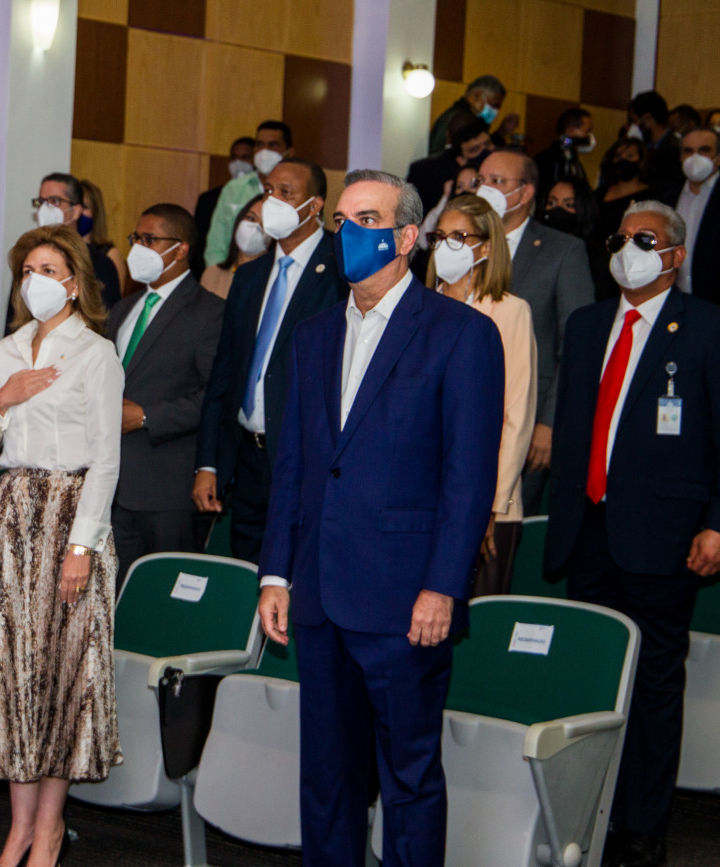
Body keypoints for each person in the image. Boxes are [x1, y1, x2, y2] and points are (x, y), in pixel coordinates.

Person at [258, 169, 504, 867]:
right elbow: (294, 465)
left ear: (405, 237)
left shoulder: (461, 334)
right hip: (318, 593)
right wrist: (275, 573)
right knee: (326, 778)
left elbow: (468, 478)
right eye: (342, 220)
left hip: (404, 597)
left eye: (367, 219)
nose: (348, 233)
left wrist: (444, 586)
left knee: (408, 777)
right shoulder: (312, 334)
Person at [544, 201, 720, 867]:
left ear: (675, 255)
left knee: (653, 685)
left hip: (665, 534)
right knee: (592, 678)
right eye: (620, 239)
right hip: (588, 529)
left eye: (644, 240)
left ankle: (641, 830)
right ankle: (586, 815)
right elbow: (574, 428)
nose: (627, 250)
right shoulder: (588, 322)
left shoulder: (711, 328)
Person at [0, 224, 123, 867]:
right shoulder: (8, 348)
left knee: (58, 672)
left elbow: (106, 460)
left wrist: (81, 547)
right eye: (28, 270)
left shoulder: (95, 353)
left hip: (70, 515)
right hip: (11, 511)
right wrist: (3, 400)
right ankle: (18, 829)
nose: (35, 281)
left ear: (74, 283)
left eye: (48, 270)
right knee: (10, 670)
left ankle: (49, 830)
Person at [194, 158, 344, 563]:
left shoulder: (341, 270)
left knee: (295, 574)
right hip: (246, 460)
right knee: (246, 571)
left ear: (315, 205)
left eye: (285, 193)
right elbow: (223, 374)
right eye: (268, 191)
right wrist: (208, 463)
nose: (271, 201)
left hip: (304, 459)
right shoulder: (249, 275)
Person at [425, 195, 537, 595]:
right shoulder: (417, 307)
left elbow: (516, 416)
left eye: (459, 237)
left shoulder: (509, 311)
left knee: (474, 615)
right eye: (439, 237)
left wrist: (490, 505)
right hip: (417, 498)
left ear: (486, 246)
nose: (445, 247)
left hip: (486, 500)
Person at [107, 204, 223, 580]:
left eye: (150, 240)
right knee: (115, 599)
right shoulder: (122, 310)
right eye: (136, 239)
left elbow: (214, 397)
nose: (138, 248)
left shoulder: (210, 312)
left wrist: (145, 416)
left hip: (167, 489)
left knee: (162, 595)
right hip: (111, 485)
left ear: (181, 248)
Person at [477, 149, 595, 516]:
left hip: (527, 416)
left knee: (504, 521)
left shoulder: (563, 250)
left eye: (497, 182)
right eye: (481, 181)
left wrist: (549, 422)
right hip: (468, 409)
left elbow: (577, 346)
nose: (485, 189)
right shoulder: (464, 242)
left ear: (526, 192)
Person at [660, 127, 720, 310]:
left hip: (719, 304)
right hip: (673, 303)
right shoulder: (666, 200)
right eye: (688, 151)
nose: (695, 157)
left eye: (704, 150)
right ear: (680, 157)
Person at [204, 121, 294, 267]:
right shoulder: (234, 188)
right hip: (233, 272)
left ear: (289, 152)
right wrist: (219, 275)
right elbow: (216, 243)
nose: (264, 152)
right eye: (260, 145)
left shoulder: (296, 192)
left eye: (272, 145)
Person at [31, 172, 121, 309]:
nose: (45, 208)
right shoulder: (29, 258)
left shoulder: (100, 263)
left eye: (54, 201)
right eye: (41, 202)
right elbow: (15, 316)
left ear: (76, 211)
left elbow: (105, 316)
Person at [591, 140, 659, 301]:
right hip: (598, 264)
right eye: (619, 156)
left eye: (630, 156)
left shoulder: (652, 195)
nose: (623, 160)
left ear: (641, 160)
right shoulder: (599, 194)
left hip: (630, 265)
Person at [408, 117, 494, 217]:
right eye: (475, 149)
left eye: (487, 144)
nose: (484, 152)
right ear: (461, 159)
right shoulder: (430, 175)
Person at [428, 74, 519, 155]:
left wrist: (501, 132)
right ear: (475, 96)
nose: (495, 111)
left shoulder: (471, 119)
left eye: (498, 107)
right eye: (493, 105)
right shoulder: (459, 120)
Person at [200, 194, 268, 299]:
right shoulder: (212, 274)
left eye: (264, 224)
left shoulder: (271, 280)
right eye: (251, 218)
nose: (255, 227)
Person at [195, 136, 255, 244]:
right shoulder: (208, 199)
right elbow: (200, 242)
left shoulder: (261, 196)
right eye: (234, 157)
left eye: (245, 157)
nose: (238, 162)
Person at [627, 91, 683, 188]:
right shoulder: (643, 145)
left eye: (635, 120)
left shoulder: (675, 148)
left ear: (647, 117)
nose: (635, 126)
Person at [79, 178, 128, 287]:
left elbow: (114, 296)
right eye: (76, 206)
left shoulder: (110, 254)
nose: (79, 212)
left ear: (96, 212)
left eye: (85, 207)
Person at [534, 107, 595, 192]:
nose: (589, 136)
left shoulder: (573, 159)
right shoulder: (547, 160)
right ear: (571, 130)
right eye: (587, 131)